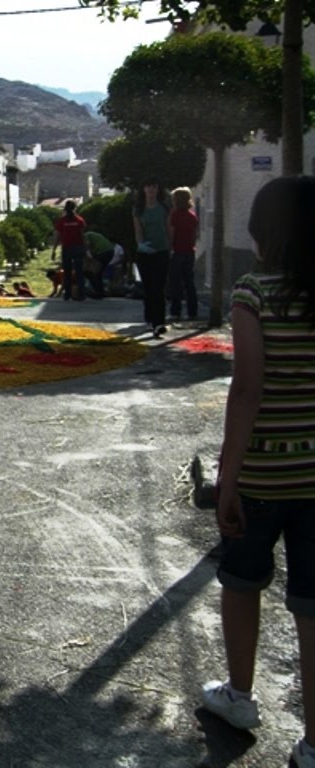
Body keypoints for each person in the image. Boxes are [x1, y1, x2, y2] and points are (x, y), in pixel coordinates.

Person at [202, 175, 315, 768]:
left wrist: (228, 477)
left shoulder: (253, 293)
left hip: (265, 475)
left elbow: (246, 390)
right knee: (312, 603)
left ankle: (240, 697)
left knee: (243, 584)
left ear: (263, 233)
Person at [133, 177, 172, 337]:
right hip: (145, 253)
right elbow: (138, 230)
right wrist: (140, 244)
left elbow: (169, 228)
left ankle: (159, 322)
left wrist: (171, 247)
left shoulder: (164, 207)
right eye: (148, 187)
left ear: (158, 190)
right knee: (148, 288)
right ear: (143, 190)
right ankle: (149, 318)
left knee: (159, 287)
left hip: (162, 251)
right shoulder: (139, 209)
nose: (151, 190)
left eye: (154, 187)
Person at [168, 186, 200, 322]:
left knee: (176, 283)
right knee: (189, 283)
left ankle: (176, 311)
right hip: (189, 251)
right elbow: (195, 235)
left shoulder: (174, 215)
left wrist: (170, 249)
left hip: (177, 251)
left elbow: (171, 234)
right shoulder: (192, 216)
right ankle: (192, 311)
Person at [52, 199, 87, 302]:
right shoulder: (79, 220)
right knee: (79, 272)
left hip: (67, 249)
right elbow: (82, 235)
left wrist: (54, 250)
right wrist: (86, 248)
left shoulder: (62, 221)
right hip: (78, 248)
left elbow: (58, 237)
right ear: (74, 208)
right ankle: (81, 295)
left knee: (67, 273)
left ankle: (67, 295)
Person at [83, 230, 117, 299]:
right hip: (110, 252)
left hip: (103, 253)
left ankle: (98, 292)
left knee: (90, 273)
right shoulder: (93, 234)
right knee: (99, 273)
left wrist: (88, 255)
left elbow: (87, 246)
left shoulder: (86, 235)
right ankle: (101, 292)